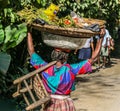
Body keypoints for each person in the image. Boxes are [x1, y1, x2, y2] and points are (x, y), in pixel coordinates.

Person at [27, 27, 105, 111]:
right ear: (65, 57)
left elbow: (31, 52)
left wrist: (29, 32)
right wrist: (101, 38)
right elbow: (93, 58)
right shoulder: (71, 69)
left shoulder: (44, 68)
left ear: (52, 55)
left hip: (49, 104)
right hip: (65, 104)